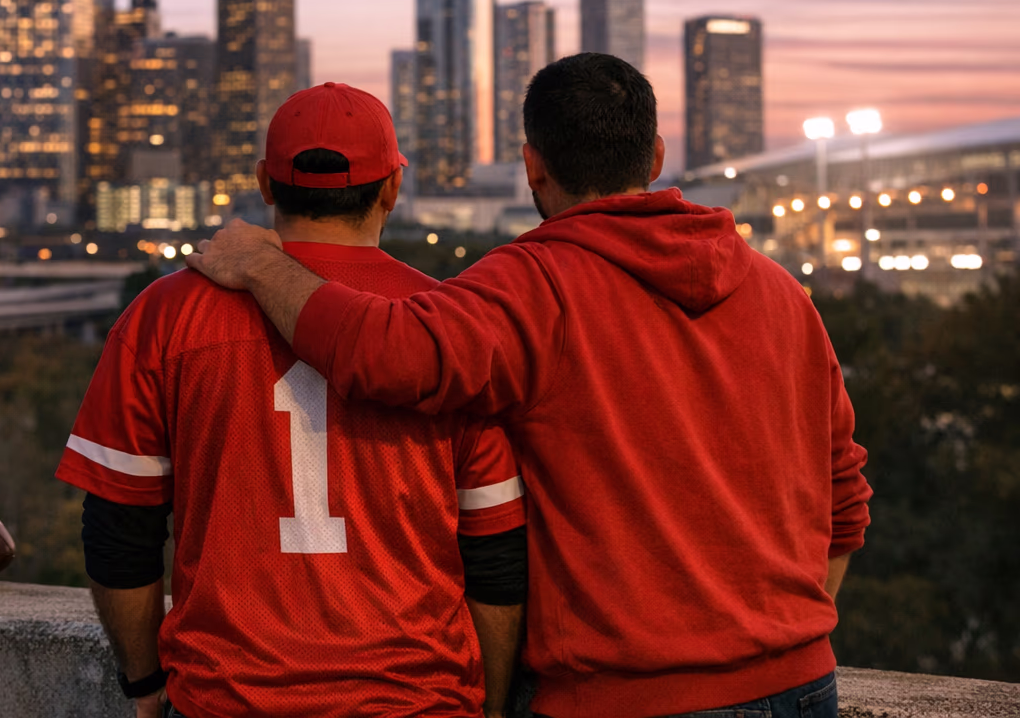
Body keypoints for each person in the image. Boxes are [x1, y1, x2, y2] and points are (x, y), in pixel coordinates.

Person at [186, 54, 873, 718]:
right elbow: (844, 502)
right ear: (657, 157)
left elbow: (382, 354)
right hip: (803, 685)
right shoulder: (784, 296)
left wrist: (258, 266)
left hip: (621, 698)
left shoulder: (534, 286)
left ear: (531, 167)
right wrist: (778, 645)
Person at [57, 82, 529, 718]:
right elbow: (495, 551)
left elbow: (119, 532)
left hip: (227, 699)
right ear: (392, 189)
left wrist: (144, 688)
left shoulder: (162, 317)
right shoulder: (445, 327)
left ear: (266, 185)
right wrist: (493, 707)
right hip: (418, 700)